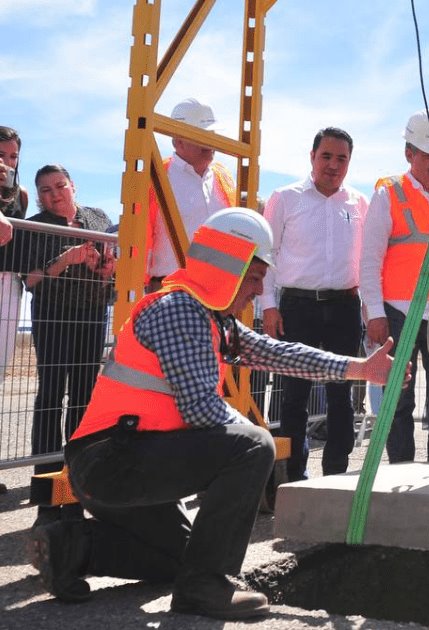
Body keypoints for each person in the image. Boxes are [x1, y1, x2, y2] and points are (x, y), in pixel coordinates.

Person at [28, 208, 394, 619]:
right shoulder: (180, 311)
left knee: (185, 555)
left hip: (122, 463)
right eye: (255, 277)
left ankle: (71, 547)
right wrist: (256, 454)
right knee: (253, 445)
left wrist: (359, 369)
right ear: (231, 267)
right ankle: (204, 589)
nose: (258, 291)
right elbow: (201, 409)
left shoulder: (211, 319)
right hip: (111, 461)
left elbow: (279, 353)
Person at [261, 127, 368, 480]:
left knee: (341, 396)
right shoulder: (285, 198)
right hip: (298, 308)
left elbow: (367, 260)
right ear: (312, 156)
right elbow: (266, 254)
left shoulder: (359, 203)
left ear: (350, 162)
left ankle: (336, 474)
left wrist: (371, 308)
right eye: (326, 156)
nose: (333, 165)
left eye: (342, 158)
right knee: (294, 396)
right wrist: (268, 306)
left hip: (344, 308)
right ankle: (292, 476)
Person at [361, 109, 429, 463]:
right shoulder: (388, 194)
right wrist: (375, 313)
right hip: (397, 313)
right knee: (398, 399)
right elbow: (370, 259)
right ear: (409, 154)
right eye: (427, 154)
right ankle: (399, 469)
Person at [20, 165, 114, 526]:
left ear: (73, 186)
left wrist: (105, 269)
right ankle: (46, 491)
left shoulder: (98, 217)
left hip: (91, 318)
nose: (54, 194)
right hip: (54, 320)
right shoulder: (34, 226)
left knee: (85, 399)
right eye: (45, 190)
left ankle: (78, 483)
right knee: (50, 398)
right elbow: (29, 281)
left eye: (60, 186)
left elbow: (112, 268)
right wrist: (65, 260)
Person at [146, 98, 238, 289]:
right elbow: (140, 237)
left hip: (218, 290)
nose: (210, 142)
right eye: (202, 135)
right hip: (169, 290)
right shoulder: (156, 176)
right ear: (178, 140)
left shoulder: (224, 178)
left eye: (212, 134)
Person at [0, 126, 29, 391]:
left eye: (13, 156)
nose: (7, 162)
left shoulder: (22, 194)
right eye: (1, 155)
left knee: (1, 358)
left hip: (9, 282)